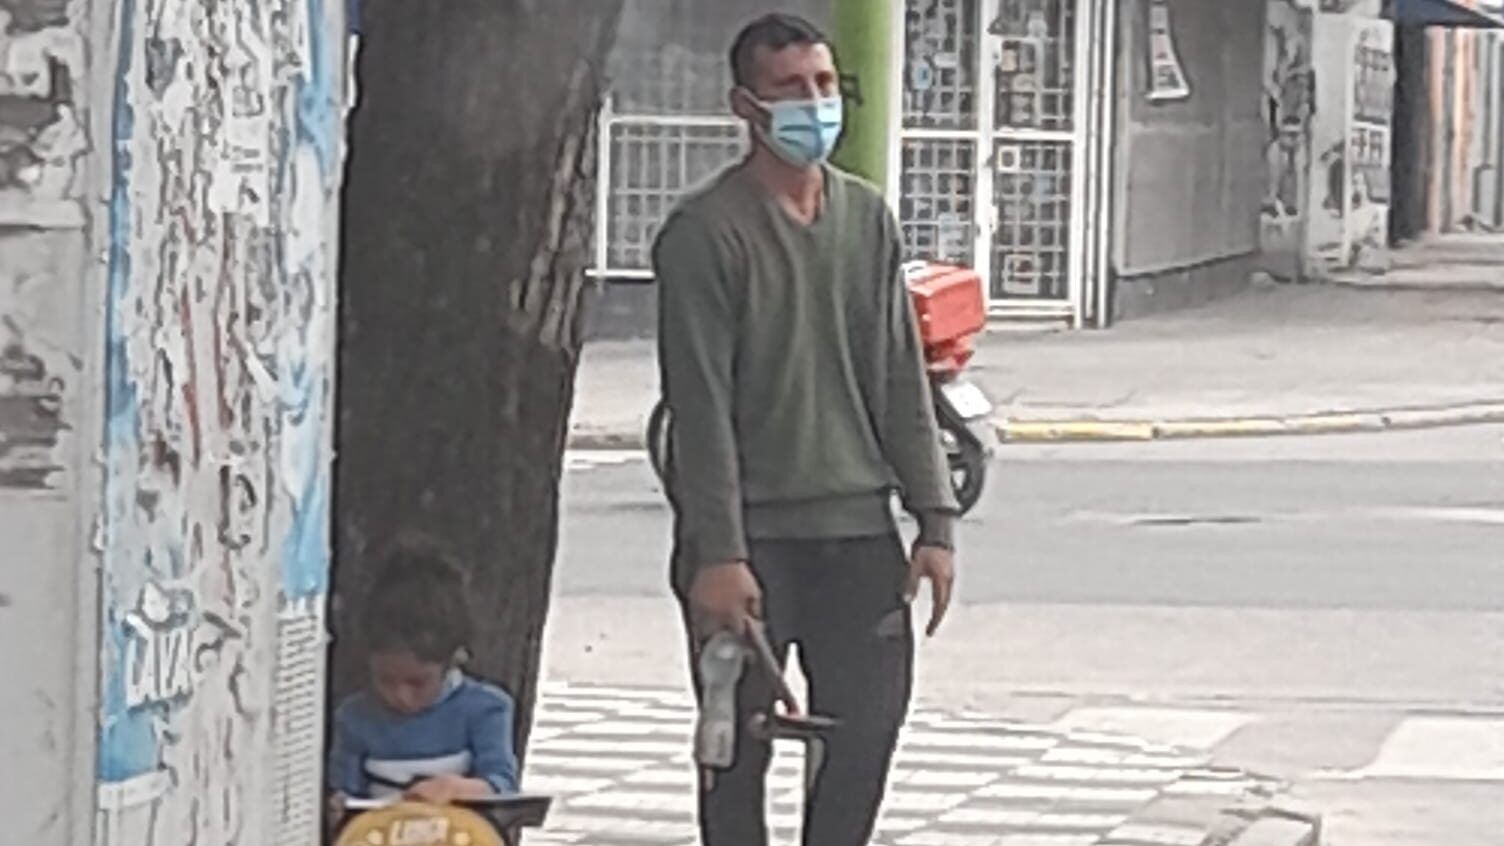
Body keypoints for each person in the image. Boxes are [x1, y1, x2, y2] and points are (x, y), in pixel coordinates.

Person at [653, 12, 960, 846]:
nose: (813, 104)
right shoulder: (702, 233)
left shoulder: (866, 220)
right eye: (789, 89)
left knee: (865, 737)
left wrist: (934, 521)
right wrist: (718, 554)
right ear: (744, 105)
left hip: (858, 533)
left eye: (824, 85)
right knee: (734, 752)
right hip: (749, 542)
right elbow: (700, 405)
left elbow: (901, 375)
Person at [327, 538, 520, 807]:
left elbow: (502, 784)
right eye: (385, 680)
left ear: (454, 661)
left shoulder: (485, 709)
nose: (400, 696)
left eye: (417, 682)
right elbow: (345, 793)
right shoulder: (355, 719)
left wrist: (457, 787)